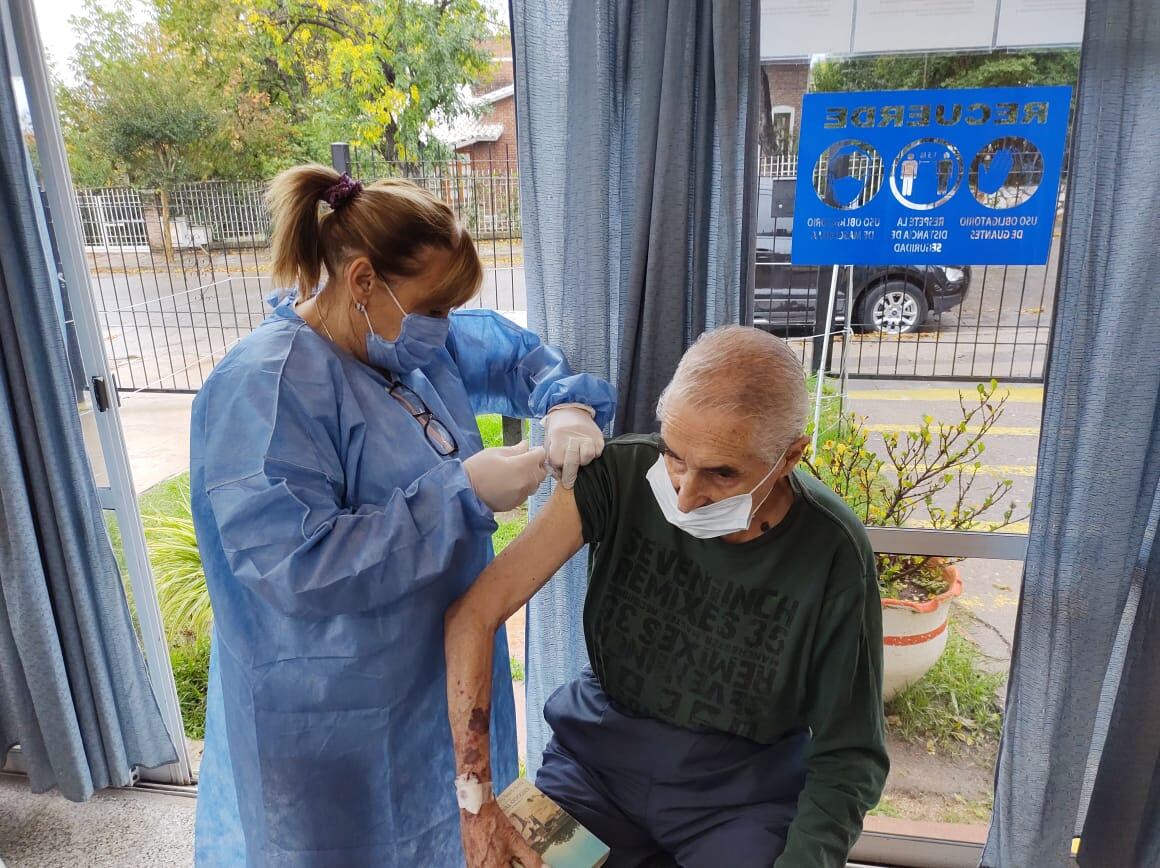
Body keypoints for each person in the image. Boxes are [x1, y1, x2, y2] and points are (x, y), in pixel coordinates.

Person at [189, 164, 616, 866]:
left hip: (434, 680)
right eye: (435, 308)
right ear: (363, 281)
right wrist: (463, 496)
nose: (444, 328)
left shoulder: (406, 341)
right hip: (327, 713)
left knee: (451, 836)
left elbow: (515, 355)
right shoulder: (262, 390)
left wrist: (565, 402)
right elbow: (298, 568)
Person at [445, 326, 888, 868]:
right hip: (597, 770)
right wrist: (476, 802)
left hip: (741, 797)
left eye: (723, 473)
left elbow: (849, 753)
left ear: (791, 456)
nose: (685, 492)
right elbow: (475, 614)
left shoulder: (831, 549)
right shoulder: (621, 477)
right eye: (674, 455)